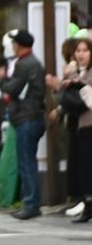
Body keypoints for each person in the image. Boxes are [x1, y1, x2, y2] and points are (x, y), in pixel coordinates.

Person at [0, 29, 45, 220]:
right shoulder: (32, 62)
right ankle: (31, 202)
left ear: (17, 45)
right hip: (33, 118)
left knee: (26, 162)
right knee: (28, 161)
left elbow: (13, 88)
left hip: (27, 118)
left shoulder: (25, 64)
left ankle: (31, 204)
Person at [47, 36, 92, 223]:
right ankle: (87, 204)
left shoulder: (85, 75)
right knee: (84, 167)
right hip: (82, 124)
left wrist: (70, 82)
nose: (80, 54)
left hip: (89, 123)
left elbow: (86, 99)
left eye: (85, 50)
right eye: (78, 51)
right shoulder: (79, 73)